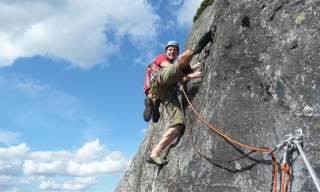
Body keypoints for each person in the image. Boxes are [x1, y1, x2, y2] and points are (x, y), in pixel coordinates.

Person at [146, 28, 216, 166]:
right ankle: (196, 48)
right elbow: (170, 70)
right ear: (166, 52)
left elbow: (179, 78)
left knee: (178, 125)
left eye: (174, 50)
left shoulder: (175, 67)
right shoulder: (161, 59)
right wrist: (189, 72)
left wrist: (189, 73)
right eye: (170, 50)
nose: (172, 52)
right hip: (159, 82)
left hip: (168, 93)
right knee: (178, 67)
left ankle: (155, 153)